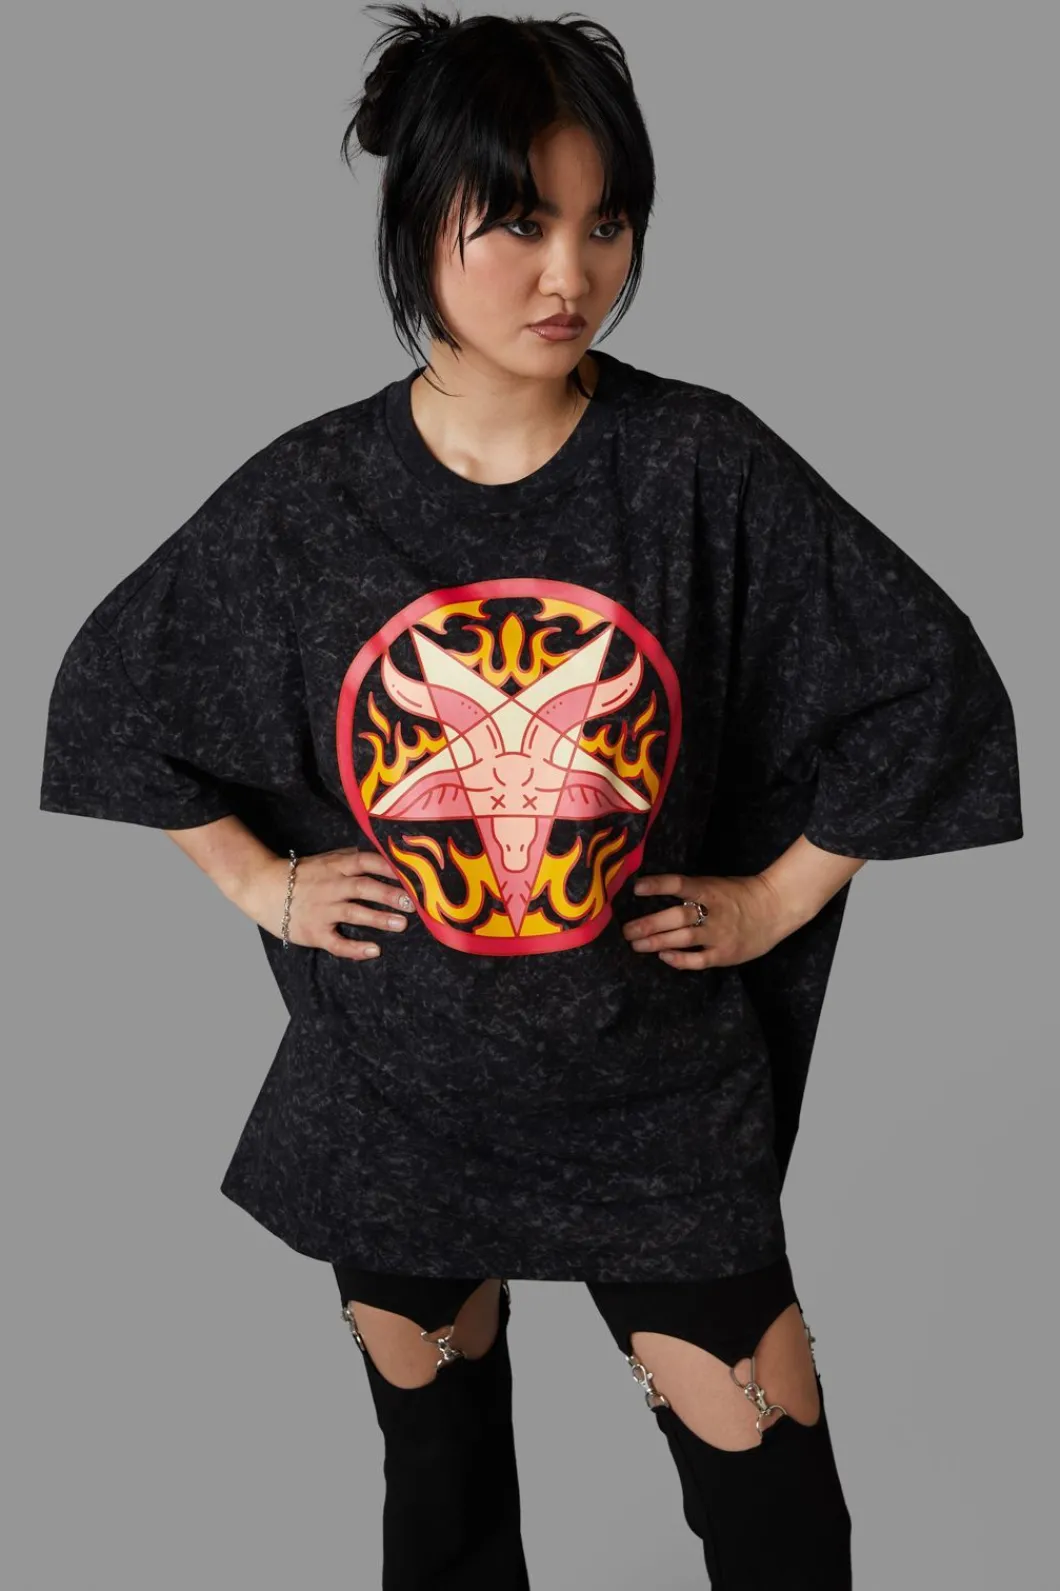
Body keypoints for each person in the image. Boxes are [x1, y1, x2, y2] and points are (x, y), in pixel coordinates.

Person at [38, 6, 1023, 1587]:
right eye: (518, 223)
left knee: (778, 1524)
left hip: (654, 1099)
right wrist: (263, 882)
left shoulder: (698, 467)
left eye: (605, 224)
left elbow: (929, 681)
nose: (572, 274)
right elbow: (113, 694)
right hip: (397, 1095)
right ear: (418, 219)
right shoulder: (309, 500)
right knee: (442, 1506)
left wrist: (775, 897)